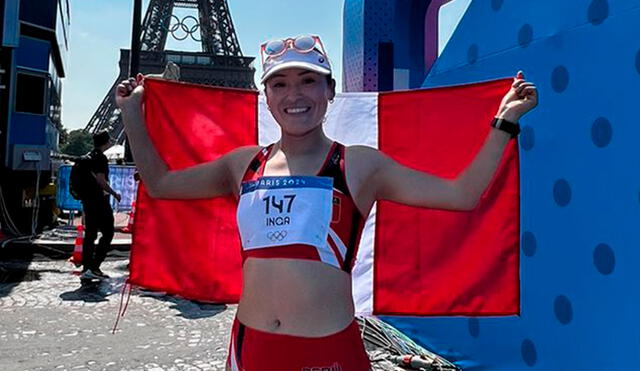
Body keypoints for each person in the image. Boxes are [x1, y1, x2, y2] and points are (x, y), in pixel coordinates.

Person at [115, 35, 537, 371]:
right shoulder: (242, 164)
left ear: (329, 90)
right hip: (250, 348)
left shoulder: (359, 164)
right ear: (267, 96)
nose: (294, 94)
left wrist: (504, 122)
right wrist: (132, 113)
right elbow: (162, 183)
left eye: (308, 80)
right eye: (280, 83)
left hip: (328, 352)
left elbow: (461, 195)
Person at [80, 131, 122, 280]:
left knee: (90, 234)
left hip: (87, 199)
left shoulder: (89, 156)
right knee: (108, 232)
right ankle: (95, 266)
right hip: (99, 200)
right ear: (106, 142)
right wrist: (114, 193)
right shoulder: (101, 158)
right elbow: (101, 180)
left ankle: (86, 268)